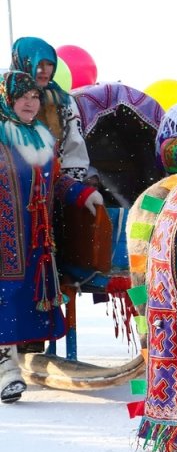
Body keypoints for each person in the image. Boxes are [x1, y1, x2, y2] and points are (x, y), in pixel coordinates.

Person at [0, 71, 103, 403]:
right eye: (22, 97)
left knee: (23, 298)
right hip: (5, 236)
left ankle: (14, 362)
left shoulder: (41, 136)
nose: (30, 103)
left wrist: (83, 194)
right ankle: (6, 370)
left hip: (35, 238)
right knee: (5, 297)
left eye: (34, 97)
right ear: (7, 99)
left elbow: (56, 180)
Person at [10, 37, 90, 180]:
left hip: (52, 188)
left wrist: (70, 189)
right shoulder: (4, 99)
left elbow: (74, 149)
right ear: (23, 61)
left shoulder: (63, 101)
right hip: (10, 189)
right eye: (39, 63)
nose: (45, 70)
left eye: (50, 64)